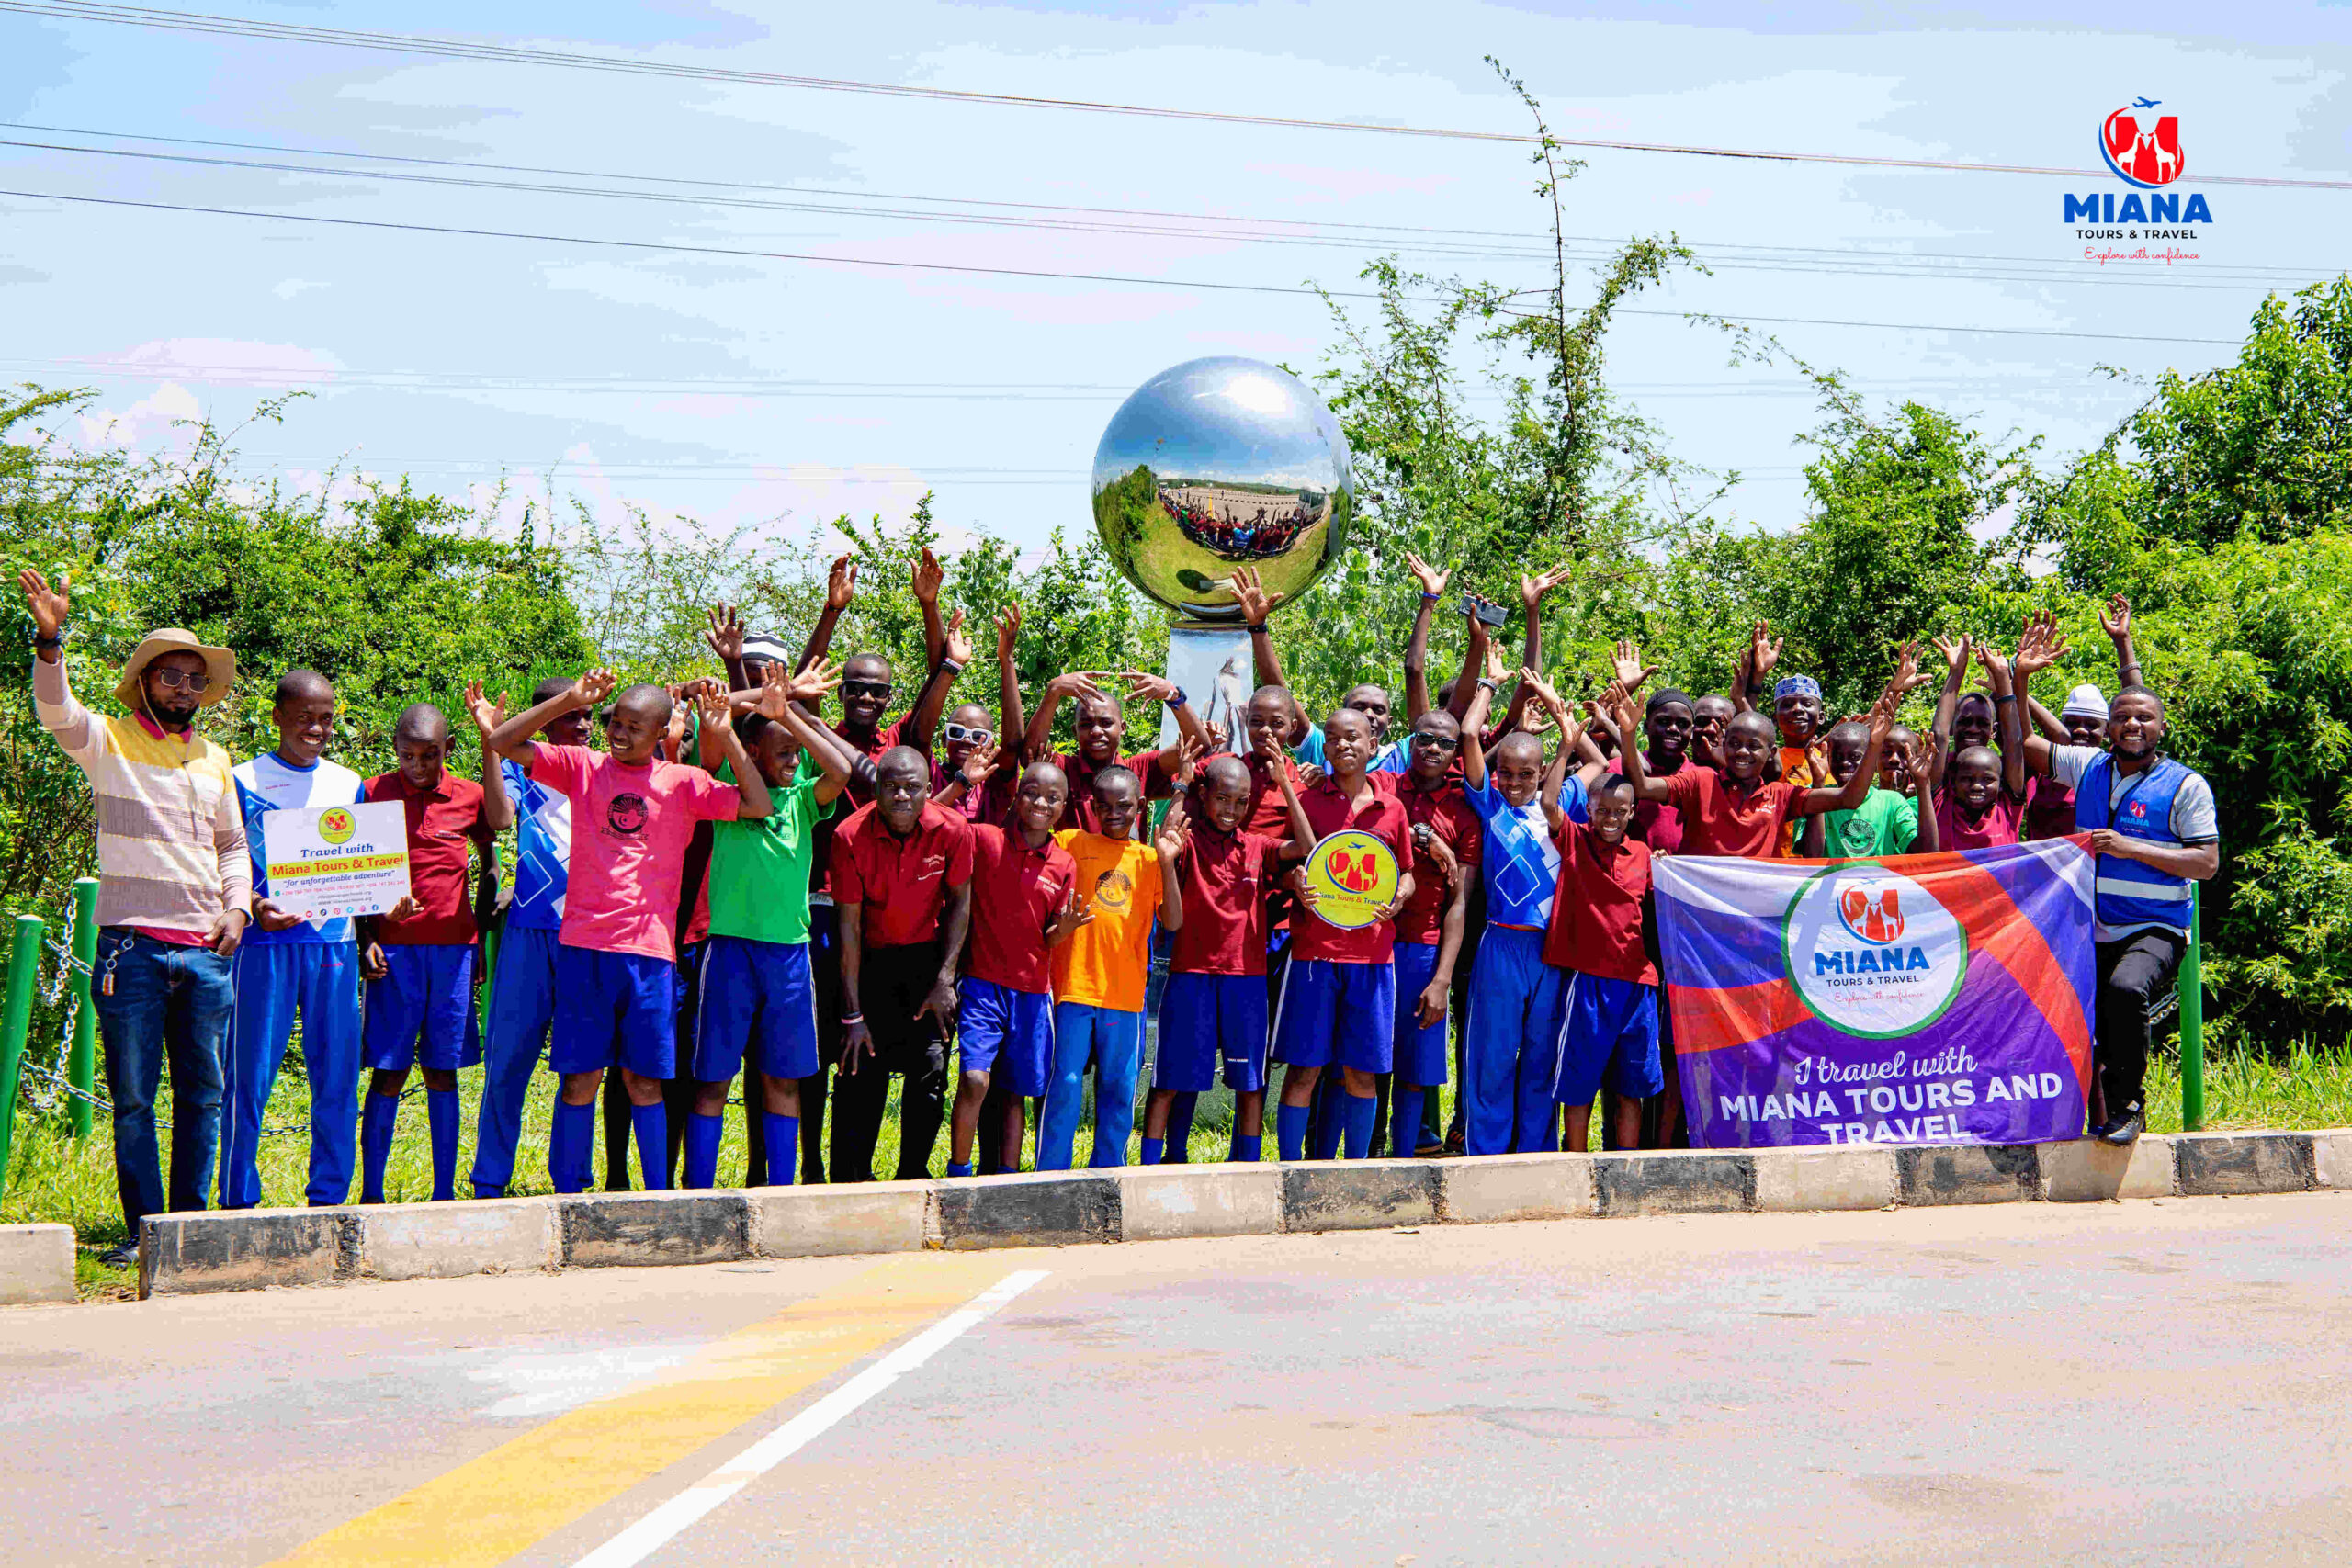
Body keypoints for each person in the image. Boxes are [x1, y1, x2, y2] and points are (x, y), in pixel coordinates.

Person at [21, 571, 248, 1264]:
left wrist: (238, 908)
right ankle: (145, 1232)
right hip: (131, 951)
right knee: (134, 1100)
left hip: (206, 954)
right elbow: (56, 712)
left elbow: (232, 844)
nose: (184, 688)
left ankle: (190, 1231)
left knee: (204, 1097)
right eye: (171, 676)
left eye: (193, 679)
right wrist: (50, 639)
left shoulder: (214, 757)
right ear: (145, 681)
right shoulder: (108, 742)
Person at [485, 674, 769, 1194]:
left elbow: (758, 804)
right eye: (615, 721)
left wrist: (725, 734)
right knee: (580, 1077)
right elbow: (502, 741)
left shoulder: (682, 782)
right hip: (584, 950)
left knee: (643, 1080)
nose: (618, 732)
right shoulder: (583, 766)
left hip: (649, 956)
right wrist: (570, 701)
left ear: (662, 731)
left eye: (634, 727)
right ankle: (569, 1190)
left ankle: (657, 1193)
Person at [2018, 615, 2214, 1145]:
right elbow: (2029, 744)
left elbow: (2206, 864)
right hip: (2087, 927)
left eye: (2144, 719)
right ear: (2107, 728)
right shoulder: (2089, 768)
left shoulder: (2186, 786)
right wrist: (2018, 680)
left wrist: (2130, 848)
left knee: (2127, 991)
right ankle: (2064, 1116)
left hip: (2154, 927)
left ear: (2161, 729)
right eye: (2122, 719)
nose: (2133, 726)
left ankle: (2129, 1104)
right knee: (2075, 1017)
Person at [682, 664, 852, 1189]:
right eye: (783, 752)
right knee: (711, 1078)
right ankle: (700, 1190)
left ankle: (781, 1191)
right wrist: (747, 712)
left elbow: (841, 770)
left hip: (789, 955)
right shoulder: (726, 792)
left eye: (796, 754)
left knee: (783, 1078)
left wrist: (791, 715)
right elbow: (716, 732)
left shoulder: (803, 798)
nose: (794, 761)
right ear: (753, 752)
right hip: (729, 951)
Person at [356, 691, 512, 1203]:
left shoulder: (468, 796)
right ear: (394, 749)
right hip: (395, 954)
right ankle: (372, 1194)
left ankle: (443, 1193)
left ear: (448, 747)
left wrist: (481, 941)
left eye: (430, 755)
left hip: (453, 952)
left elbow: (490, 865)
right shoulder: (371, 793)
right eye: (407, 755)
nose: (418, 766)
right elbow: (353, 874)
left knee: (442, 1069)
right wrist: (368, 936)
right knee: (389, 1070)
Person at [220, 670, 365, 1211]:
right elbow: (221, 857)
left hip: (333, 943)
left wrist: (378, 910)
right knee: (249, 1074)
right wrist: (254, 908)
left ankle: (329, 1198)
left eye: (326, 718)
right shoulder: (240, 779)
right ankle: (238, 1198)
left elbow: (362, 867)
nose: (316, 728)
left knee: (336, 1077)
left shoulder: (348, 783)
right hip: (264, 946)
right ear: (277, 715)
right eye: (304, 717)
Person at [1458, 654, 1600, 1155]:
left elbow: (1601, 764)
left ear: (1543, 774)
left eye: (1526, 774)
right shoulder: (1489, 804)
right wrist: (1490, 685)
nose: (1514, 782)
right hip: (1500, 945)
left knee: (1542, 1058)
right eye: (1507, 773)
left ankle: (1535, 1155)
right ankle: (1486, 1155)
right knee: (1491, 1059)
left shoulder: (1564, 807)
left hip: (1553, 951)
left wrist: (1564, 721)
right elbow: (1470, 736)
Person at [1146, 744, 1311, 1166]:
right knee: (1172, 1078)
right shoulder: (1189, 843)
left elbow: (1309, 847)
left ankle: (1249, 1166)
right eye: (1221, 798)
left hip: (1246, 977)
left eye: (1241, 801)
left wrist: (1286, 788)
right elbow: (1166, 840)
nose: (1230, 809)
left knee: (1249, 1081)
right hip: (1191, 973)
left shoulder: (1257, 846)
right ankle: (1159, 1162)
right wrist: (1181, 783)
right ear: (1205, 797)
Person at [1272, 708, 1416, 1162]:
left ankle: (1354, 1170)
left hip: (1373, 958)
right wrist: (1295, 879)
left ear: (1374, 745)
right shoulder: (1309, 799)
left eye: (1352, 737)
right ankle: (1290, 1170)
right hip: (1314, 955)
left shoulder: (1391, 809)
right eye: (1331, 738)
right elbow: (1285, 863)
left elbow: (1407, 873)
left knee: (1362, 1073)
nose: (1341, 745)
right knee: (1304, 1071)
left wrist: (1401, 898)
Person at [830, 746, 973, 1181]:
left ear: (930, 790)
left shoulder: (953, 829)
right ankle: (850, 1180)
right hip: (870, 960)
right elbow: (849, 930)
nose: (901, 796)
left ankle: (913, 1176)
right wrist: (853, 1014)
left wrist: (945, 980)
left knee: (930, 1071)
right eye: (890, 786)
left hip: (927, 962)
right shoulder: (849, 836)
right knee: (860, 1072)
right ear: (876, 789)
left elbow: (961, 902)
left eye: (912, 787)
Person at [469, 675, 587, 1199]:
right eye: (571, 716)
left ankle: (570, 1183)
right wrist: (491, 742)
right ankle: (489, 1181)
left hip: (588, 933)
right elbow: (498, 817)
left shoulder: (603, 770)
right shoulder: (521, 768)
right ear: (543, 721)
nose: (584, 726)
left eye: (587, 717)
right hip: (529, 930)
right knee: (507, 1063)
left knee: (580, 1068)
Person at [1620, 652, 1908, 860]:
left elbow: (1849, 798)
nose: (1741, 752)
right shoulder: (1699, 781)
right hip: (1703, 922)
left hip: (1754, 925)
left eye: (1752, 746)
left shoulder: (1782, 796)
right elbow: (1643, 787)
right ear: (1724, 744)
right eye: (1734, 743)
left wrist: (1874, 745)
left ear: (1770, 752)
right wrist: (1629, 733)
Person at [1038, 763, 1185, 1169]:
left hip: (1124, 996)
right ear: (1092, 807)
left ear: (1140, 806)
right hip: (1072, 989)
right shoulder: (1070, 841)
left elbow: (1172, 921)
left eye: (1124, 806)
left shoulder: (1149, 859)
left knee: (1118, 1086)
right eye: (1104, 807)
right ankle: (1050, 1171)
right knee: (1065, 1083)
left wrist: (1168, 863)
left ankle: (1109, 1170)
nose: (1114, 814)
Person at [948, 761, 1081, 1177]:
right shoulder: (986, 839)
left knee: (1015, 1093)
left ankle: (1006, 1178)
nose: (1041, 803)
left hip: (1031, 993)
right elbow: (934, 822)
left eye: (1052, 797)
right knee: (974, 1079)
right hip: (983, 987)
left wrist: (1067, 928)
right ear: (1017, 795)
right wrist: (961, 784)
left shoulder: (1064, 863)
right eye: (1032, 792)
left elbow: (1049, 938)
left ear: (1064, 805)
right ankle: (958, 1171)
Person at [1541, 699, 1661, 1155]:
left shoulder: (1645, 855)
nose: (1611, 818)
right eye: (1603, 810)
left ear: (1632, 813)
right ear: (1589, 809)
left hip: (1638, 982)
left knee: (1631, 1084)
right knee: (1579, 1082)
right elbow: (1549, 802)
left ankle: (1625, 1168)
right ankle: (1575, 1163)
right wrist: (1566, 744)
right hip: (1587, 981)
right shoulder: (1574, 839)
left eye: (1620, 811)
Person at [1374, 710, 1477, 1159]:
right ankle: (1367, 1152)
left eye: (1445, 742)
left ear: (1457, 752)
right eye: (1424, 737)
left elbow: (1460, 904)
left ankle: (1405, 1158)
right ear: (1410, 741)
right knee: (1368, 1059)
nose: (1433, 747)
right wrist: (1423, 835)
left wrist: (1442, 980)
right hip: (1370, 942)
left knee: (1415, 1067)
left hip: (1424, 949)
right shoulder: (1384, 785)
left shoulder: (1466, 813)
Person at [1021, 667, 1208, 830]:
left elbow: (1197, 746)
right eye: (1086, 724)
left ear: (1123, 728)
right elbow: (1029, 756)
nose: (1096, 731)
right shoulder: (1063, 770)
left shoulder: (1139, 769)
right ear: (1075, 731)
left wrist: (1173, 695)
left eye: (1106, 723)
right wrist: (1053, 691)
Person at [1929, 639, 2027, 851]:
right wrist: (1956, 672)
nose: (1973, 729)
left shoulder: (2005, 797)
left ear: (1993, 731)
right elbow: (1939, 736)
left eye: (1982, 723)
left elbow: (2015, 743)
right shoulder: (1942, 788)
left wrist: (2003, 678)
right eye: (1964, 721)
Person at [932, 604, 1023, 825]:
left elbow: (1012, 745)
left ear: (991, 744)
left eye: (978, 736)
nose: (965, 740)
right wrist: (950, 664)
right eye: (956, 732)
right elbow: (920, 730)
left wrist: (1007, 659)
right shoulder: (930, 774)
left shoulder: (993, 784)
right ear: (944, 739)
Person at [1815, 718, 1940, 857]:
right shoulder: (1819, 798)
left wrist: (1922, 784)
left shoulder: (1892, 801)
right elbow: (1811, 855)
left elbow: (1927, 853)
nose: (1845, 763)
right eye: (1838, 757)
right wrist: (1818, 784)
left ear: (1870, 759)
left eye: (1855, 756)